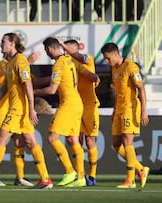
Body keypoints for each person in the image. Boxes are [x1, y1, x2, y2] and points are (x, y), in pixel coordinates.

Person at [0, 32, 52, 190]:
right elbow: (4, 87)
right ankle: (46, 179)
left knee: (0, 139)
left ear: (12, 44)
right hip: (19, 109)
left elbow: (28, 85)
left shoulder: (20, 61)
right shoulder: (10, 62)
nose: (1, 45)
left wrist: (32, 109)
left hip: (18, 109)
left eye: (3, 42)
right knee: (31, 142)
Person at [34, 37, 86, 187]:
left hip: (68, 104)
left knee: (52, 137)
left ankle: (70, 172)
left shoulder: (58, 64)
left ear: (49, 48)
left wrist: (33, 92)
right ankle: (81, 177)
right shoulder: (69, 59)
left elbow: (51, 90)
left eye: (46, 50)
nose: (46, 53)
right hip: (77, 103)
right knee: (73, 140)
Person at [101, 42, 149, 188]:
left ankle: (130, 180)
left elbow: (141, 88)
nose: (107, 62)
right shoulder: (114, 70)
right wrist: (114, 110)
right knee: (116, 144)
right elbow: (118, 93)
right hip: (119, 109)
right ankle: (140, 168)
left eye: (108, 58)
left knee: (128, 141)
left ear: (116, 54)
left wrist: (143, 111)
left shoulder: (131, 67)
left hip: (131, 107)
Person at [59, 39, 100, 186]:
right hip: (76, 106)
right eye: (64, 49)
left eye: (68, 49)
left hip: (89, 106)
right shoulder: (69, 64)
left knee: (90, 141)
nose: (65, 52)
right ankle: (79, 174)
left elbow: (82, 60)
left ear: (75, 49)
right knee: (75, 140)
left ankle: (92, 176)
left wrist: (94, 77)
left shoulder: (87, 58)